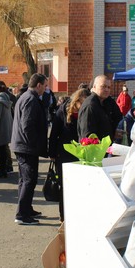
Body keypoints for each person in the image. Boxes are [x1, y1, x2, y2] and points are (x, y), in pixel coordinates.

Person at [10, 73, 50, 225]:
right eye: (45, 86)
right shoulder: (31, 99)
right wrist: (35, 144)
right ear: (38, 85)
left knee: (25, 180)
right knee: (28, 180)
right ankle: (22, 214)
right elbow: (27, 126)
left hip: (23, 145)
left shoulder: (26, 97)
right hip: (26, 147)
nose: (45, 89)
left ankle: (26, 209)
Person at [49, 88, 90, 221]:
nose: (83, 106)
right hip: (64, 154)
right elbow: (54, 133)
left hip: (80, 155)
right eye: (81, 103)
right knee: (65, 187)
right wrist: (52, 153)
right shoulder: (63, 111)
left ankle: (76, 215)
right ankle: (63, 216)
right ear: (76, 101)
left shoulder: (86, 112)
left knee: (77, 187)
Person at [77, 75, 122, 141]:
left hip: (105, 147)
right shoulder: (90, 105)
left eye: (109, 87)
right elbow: (87, 134)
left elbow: (118, 117)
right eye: (103, 86)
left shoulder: (106, 101)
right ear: (94, 87)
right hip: (94, 149)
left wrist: (114, 131)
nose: (107, 89)